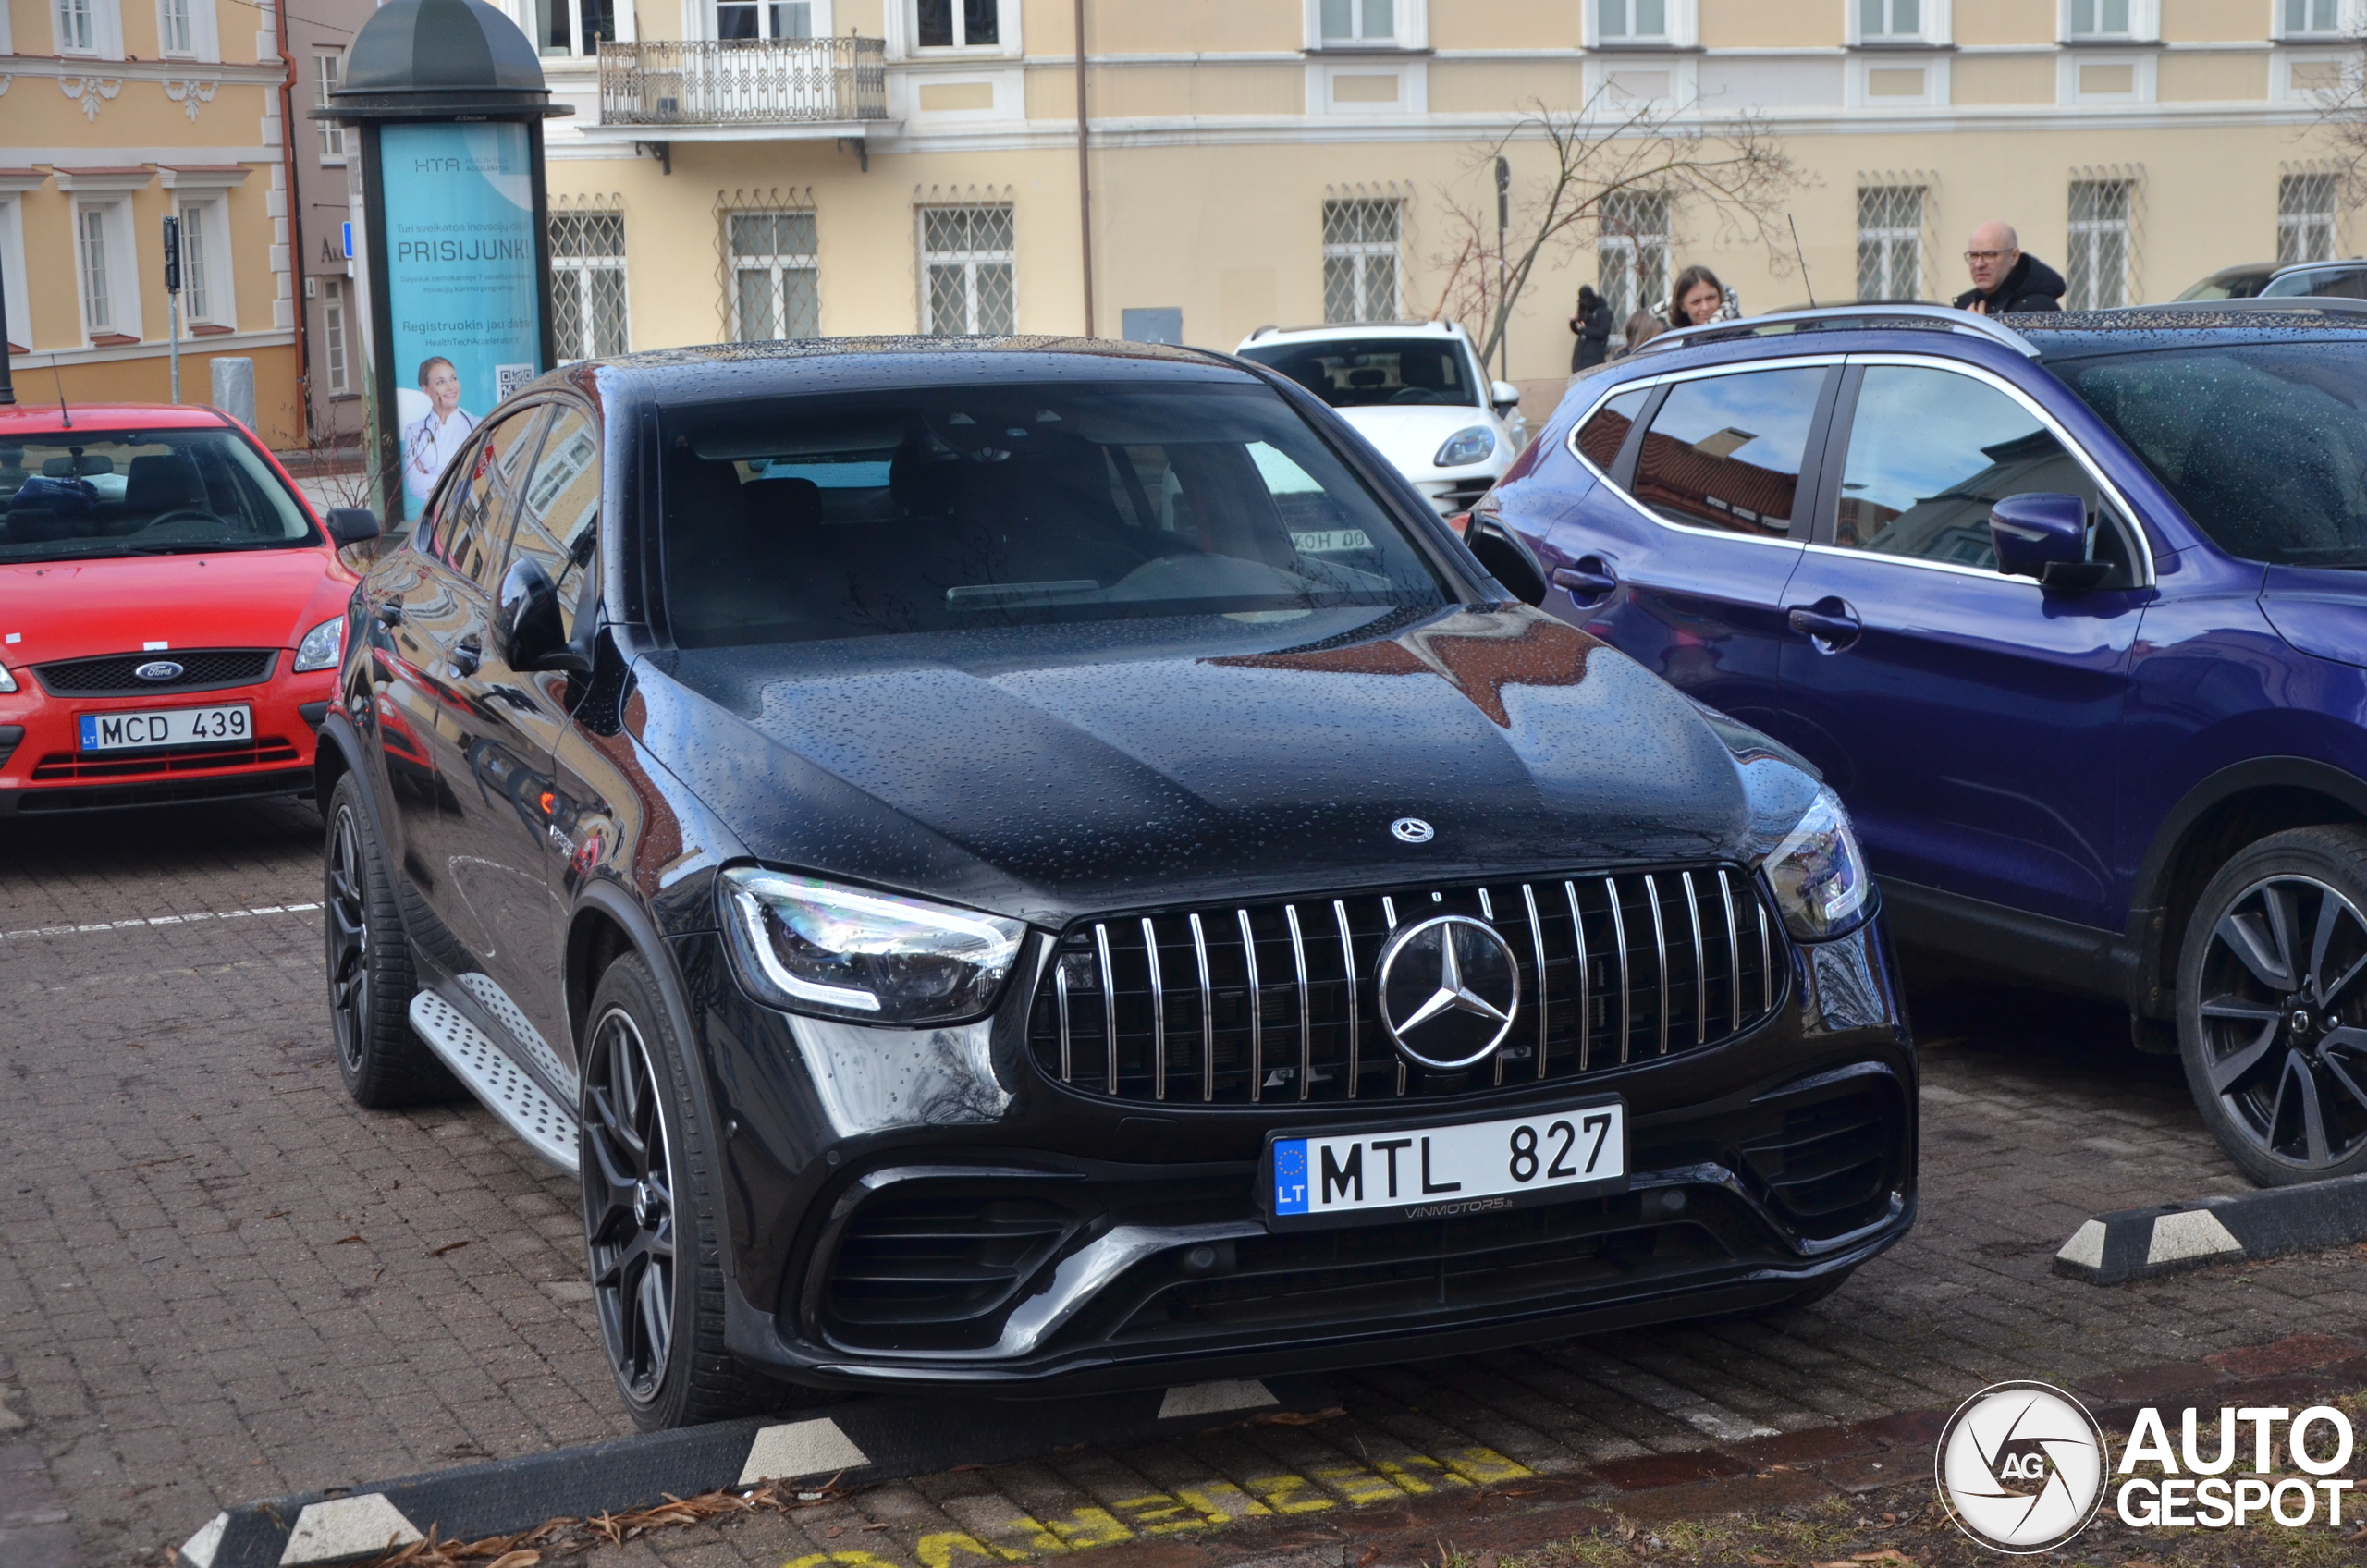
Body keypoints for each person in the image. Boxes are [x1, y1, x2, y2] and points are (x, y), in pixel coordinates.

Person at [402, 356, 478, 508]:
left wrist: (430, 479)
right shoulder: (414, 431)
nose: (451, 387)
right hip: (436, 517)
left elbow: (480, 481)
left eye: (453, 379)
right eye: (440, 382)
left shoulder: (478, 425)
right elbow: (413, 483)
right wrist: (458, 480)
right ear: (426, 389)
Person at [1952, 223, 2066, 316]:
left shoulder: (2037, 310)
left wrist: (1979, 333)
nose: (1979, 264)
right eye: (1974, 256)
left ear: (2014, 257)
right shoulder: (1967, 305)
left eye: (1990, 255)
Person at [1665, 265, 1726, 332]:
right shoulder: (1670, 340)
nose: (1705, 308)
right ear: (1682, 306)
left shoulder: (1738, 333)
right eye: (1696, 302)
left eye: (1711, 298)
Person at [1569, 285, 1613, 372]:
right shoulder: (1587, 310)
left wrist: (1584, 329)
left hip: (1594, 357)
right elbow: (1579, 332)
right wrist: (1574, 323)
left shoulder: (1604, 312)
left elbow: (1603, 332)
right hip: (1580, 357)